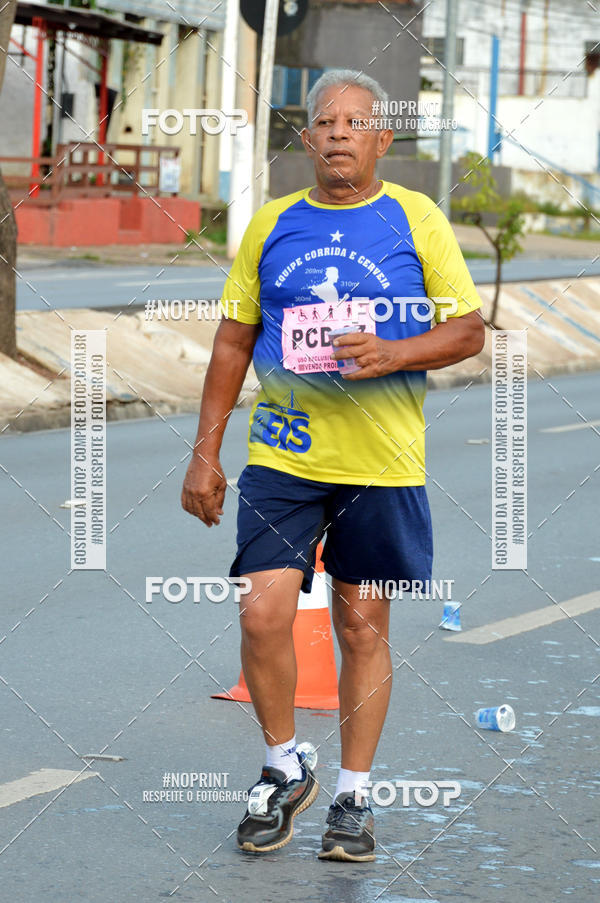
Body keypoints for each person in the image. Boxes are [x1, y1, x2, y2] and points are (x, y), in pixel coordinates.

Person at [181, 69, 484, 862]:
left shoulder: (416, 220)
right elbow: (231, 339)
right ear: (308, 138)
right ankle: (283, 766)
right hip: (282, 456)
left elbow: (469, 331)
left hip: (380, 464)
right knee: (261, 612)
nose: (340, 132)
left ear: (383, 138)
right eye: (326, 121)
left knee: (361, 623)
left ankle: (353, 794)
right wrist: (205, 451)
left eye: (357, 121)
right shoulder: (272, 225)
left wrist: (396, 352)